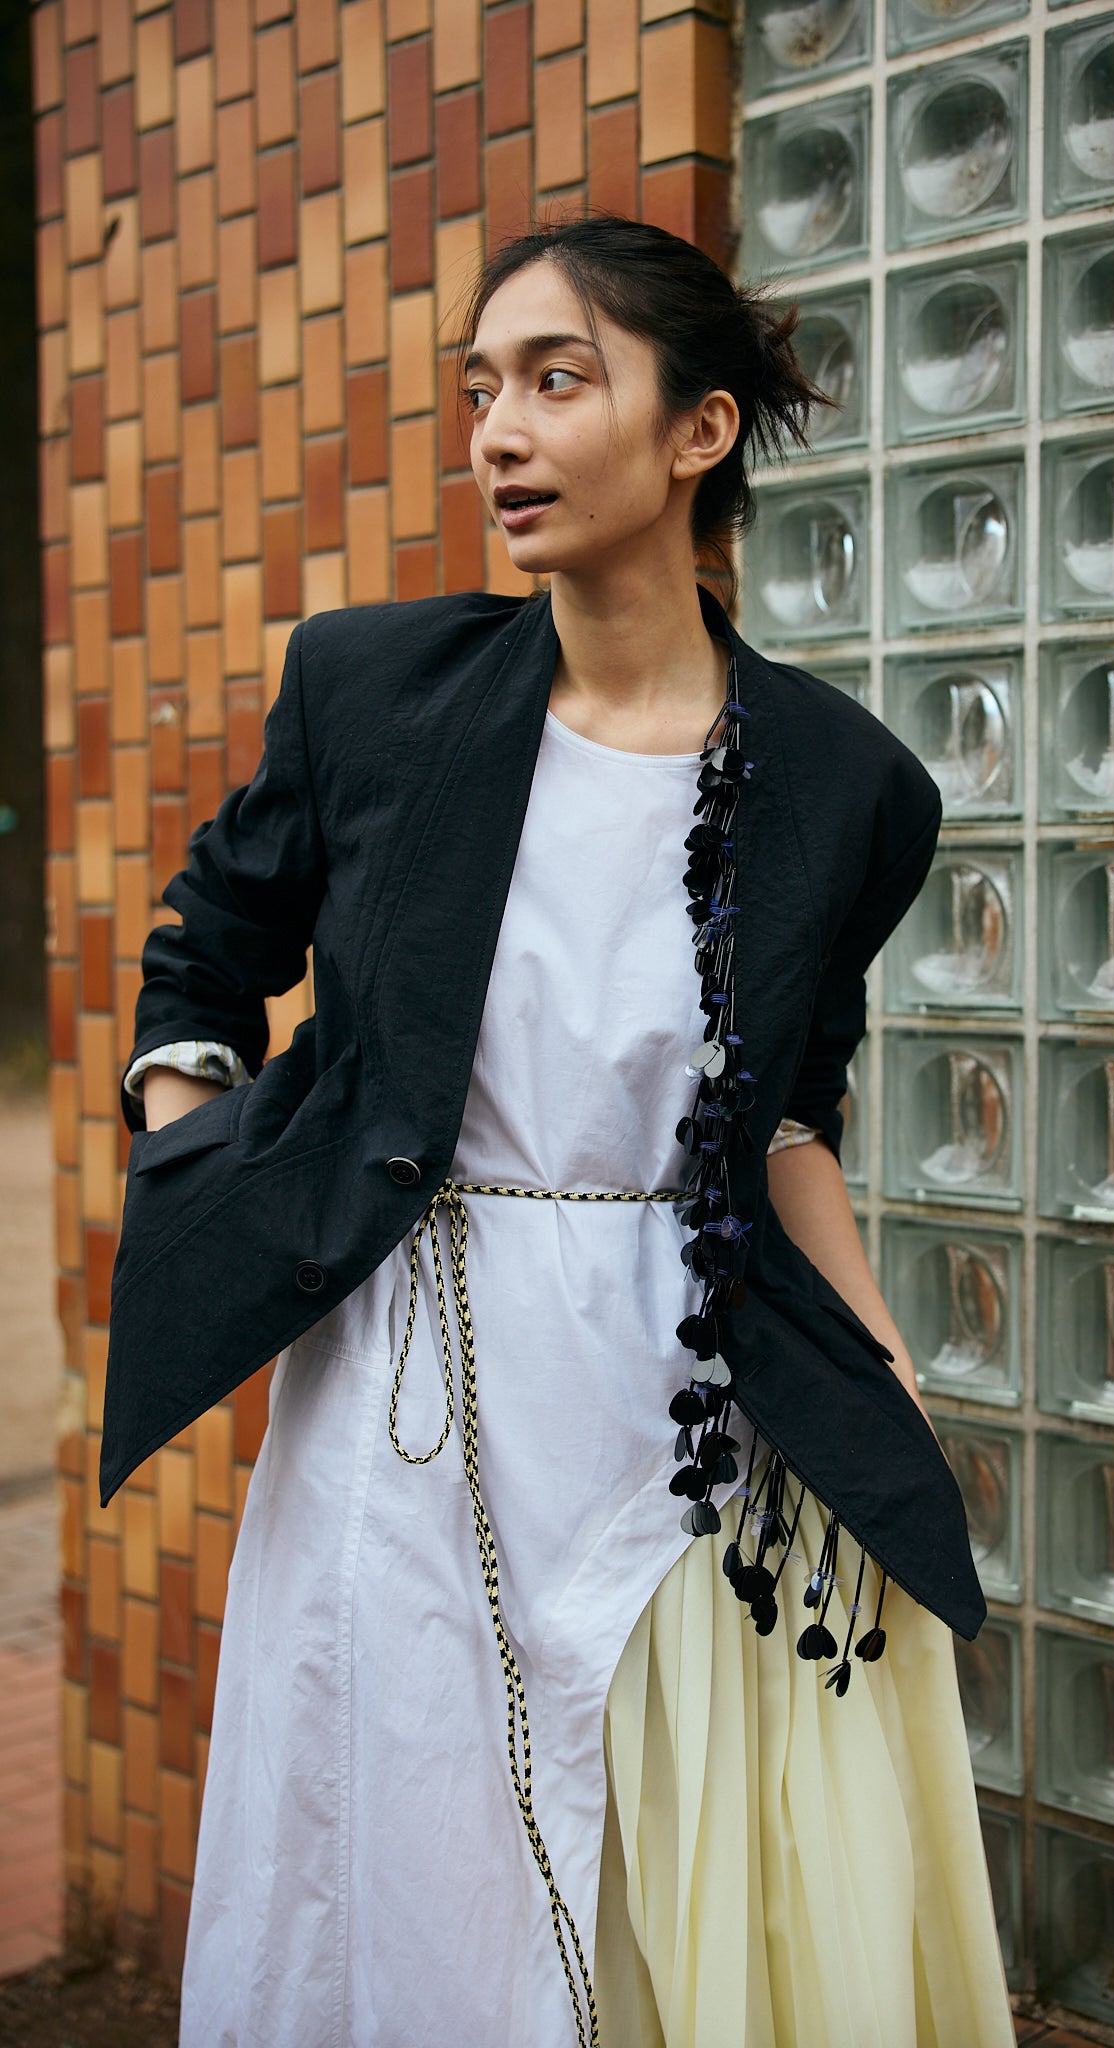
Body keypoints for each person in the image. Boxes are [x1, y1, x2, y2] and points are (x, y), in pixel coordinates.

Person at [108, 215, 1014, 2048]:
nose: (498, 433)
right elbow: (204, 951)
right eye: (480, 391)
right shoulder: (373, 692)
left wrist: (881, 1355)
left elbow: (790, 1115)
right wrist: (200, 1164)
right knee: (407, 1823)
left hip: (681, 1380)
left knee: (655, 1835)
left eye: (556, 379)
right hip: (408, 1376)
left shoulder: (846, 783)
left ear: (698, 431)